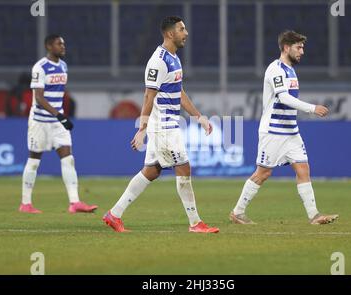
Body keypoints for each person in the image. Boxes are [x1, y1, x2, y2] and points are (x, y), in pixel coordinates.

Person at [103, 16, 219, 233]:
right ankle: (195, 223)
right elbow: (149, 96)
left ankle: (114, 214)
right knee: (183, 167)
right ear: (169, 34)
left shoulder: (174, 58)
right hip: (164, 125)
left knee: (152, 171)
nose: (186, 33)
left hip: (169, 123)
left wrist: (198, 116)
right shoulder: (158, 60)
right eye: (182, 29)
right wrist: (142, 129)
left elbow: (179, 92)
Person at [230, 30, 338, 225]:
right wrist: (312, 108)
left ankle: (314, 216)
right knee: (263, 173)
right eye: (298, 47)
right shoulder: (275, 69)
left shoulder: (291, 70)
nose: (302, 51)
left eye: (303, 47)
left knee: (303, 169)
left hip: (291, 131)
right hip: (273, 130)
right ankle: (237, 212)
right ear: (286, 47)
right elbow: (284, 97)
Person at [18, 34, 97, 214]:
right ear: (48, 46)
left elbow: (59, 93)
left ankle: (74, 202)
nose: (63, 47)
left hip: (57, 123)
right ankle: (25, 203)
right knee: (34, 162)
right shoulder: (40, 67)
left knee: (68, 159)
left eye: (63, 44)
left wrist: (59, 116)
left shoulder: (63, 66)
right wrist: (59, 115)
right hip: (39, 122)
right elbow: (38, 98)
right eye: (59, 44)